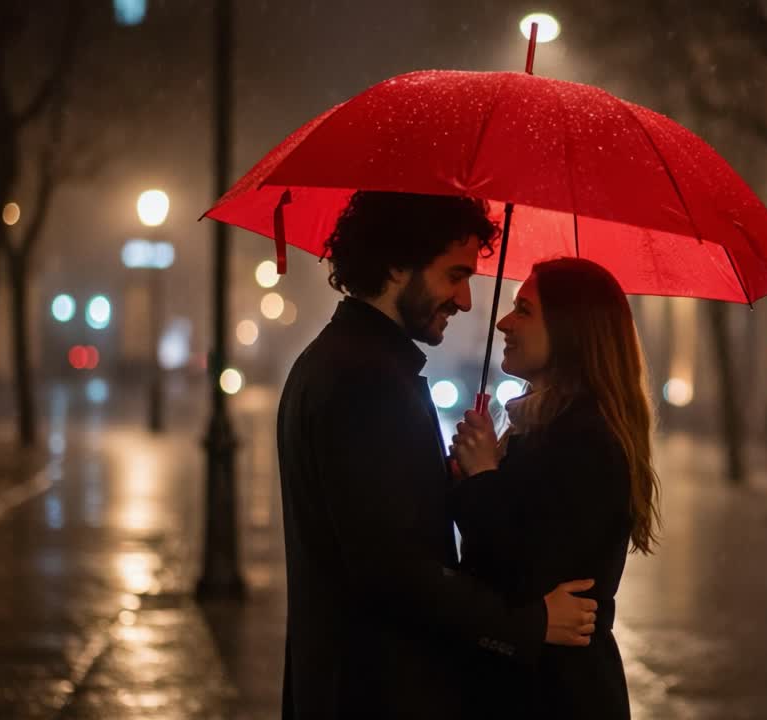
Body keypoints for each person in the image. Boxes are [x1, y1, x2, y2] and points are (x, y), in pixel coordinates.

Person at [277, 191, 599, 719]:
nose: (467, 300)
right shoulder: (367, 381)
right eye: (455, 274)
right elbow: (395, 571)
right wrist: (529, 625)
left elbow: (377, 528)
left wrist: (453, 483)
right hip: (376, 693)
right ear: (399, 264)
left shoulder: (346, 361)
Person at [450, 257, 662, 720]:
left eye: (523, 310)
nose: (505, 321)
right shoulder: (537, 428)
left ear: (571, 330)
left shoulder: (589, 440)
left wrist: (483, 476)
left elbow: (528, 573)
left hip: (555, 697)